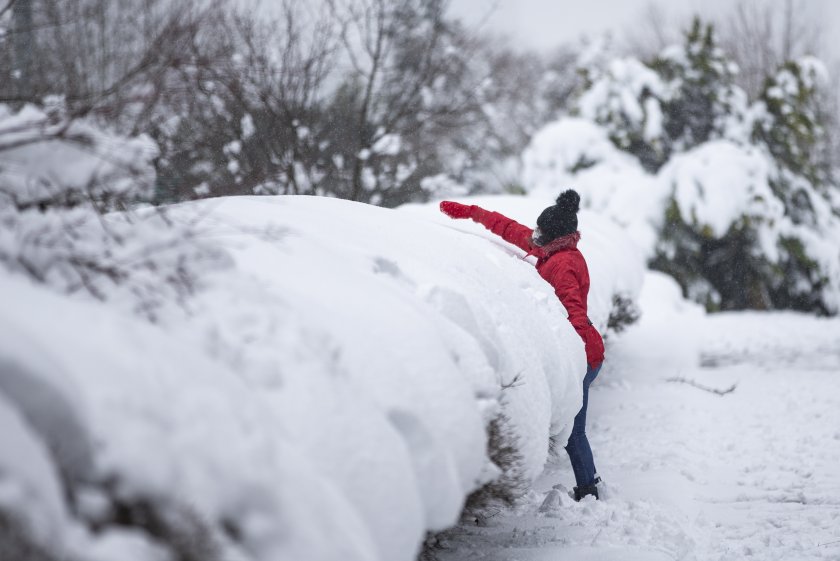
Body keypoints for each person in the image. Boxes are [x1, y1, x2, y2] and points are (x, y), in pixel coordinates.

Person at [439, 190, 605, 501]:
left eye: (540, 230)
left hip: (584, 354)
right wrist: (469, 211)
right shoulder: (550, 249)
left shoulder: (564, 264)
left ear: (554, 235)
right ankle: (589, 482)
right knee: (569, 428)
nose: (534, 234)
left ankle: (589, 489)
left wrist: (575, 359)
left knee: (573, 431)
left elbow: (574, 315)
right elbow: (508, 227)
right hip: (583, 349)